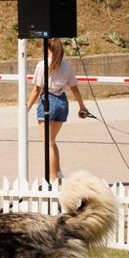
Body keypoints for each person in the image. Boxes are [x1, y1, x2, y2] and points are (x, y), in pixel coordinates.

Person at [26, 38, 89, 181]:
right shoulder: (66, 65)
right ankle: (58, 172)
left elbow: (36, 90)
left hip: (48, 101)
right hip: (62, 103)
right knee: (52, 141)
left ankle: (52, 179)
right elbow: (74, 88)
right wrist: (82, 106)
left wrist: (26, 108)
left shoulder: (42, 65)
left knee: (48, 144)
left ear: (47, 48)